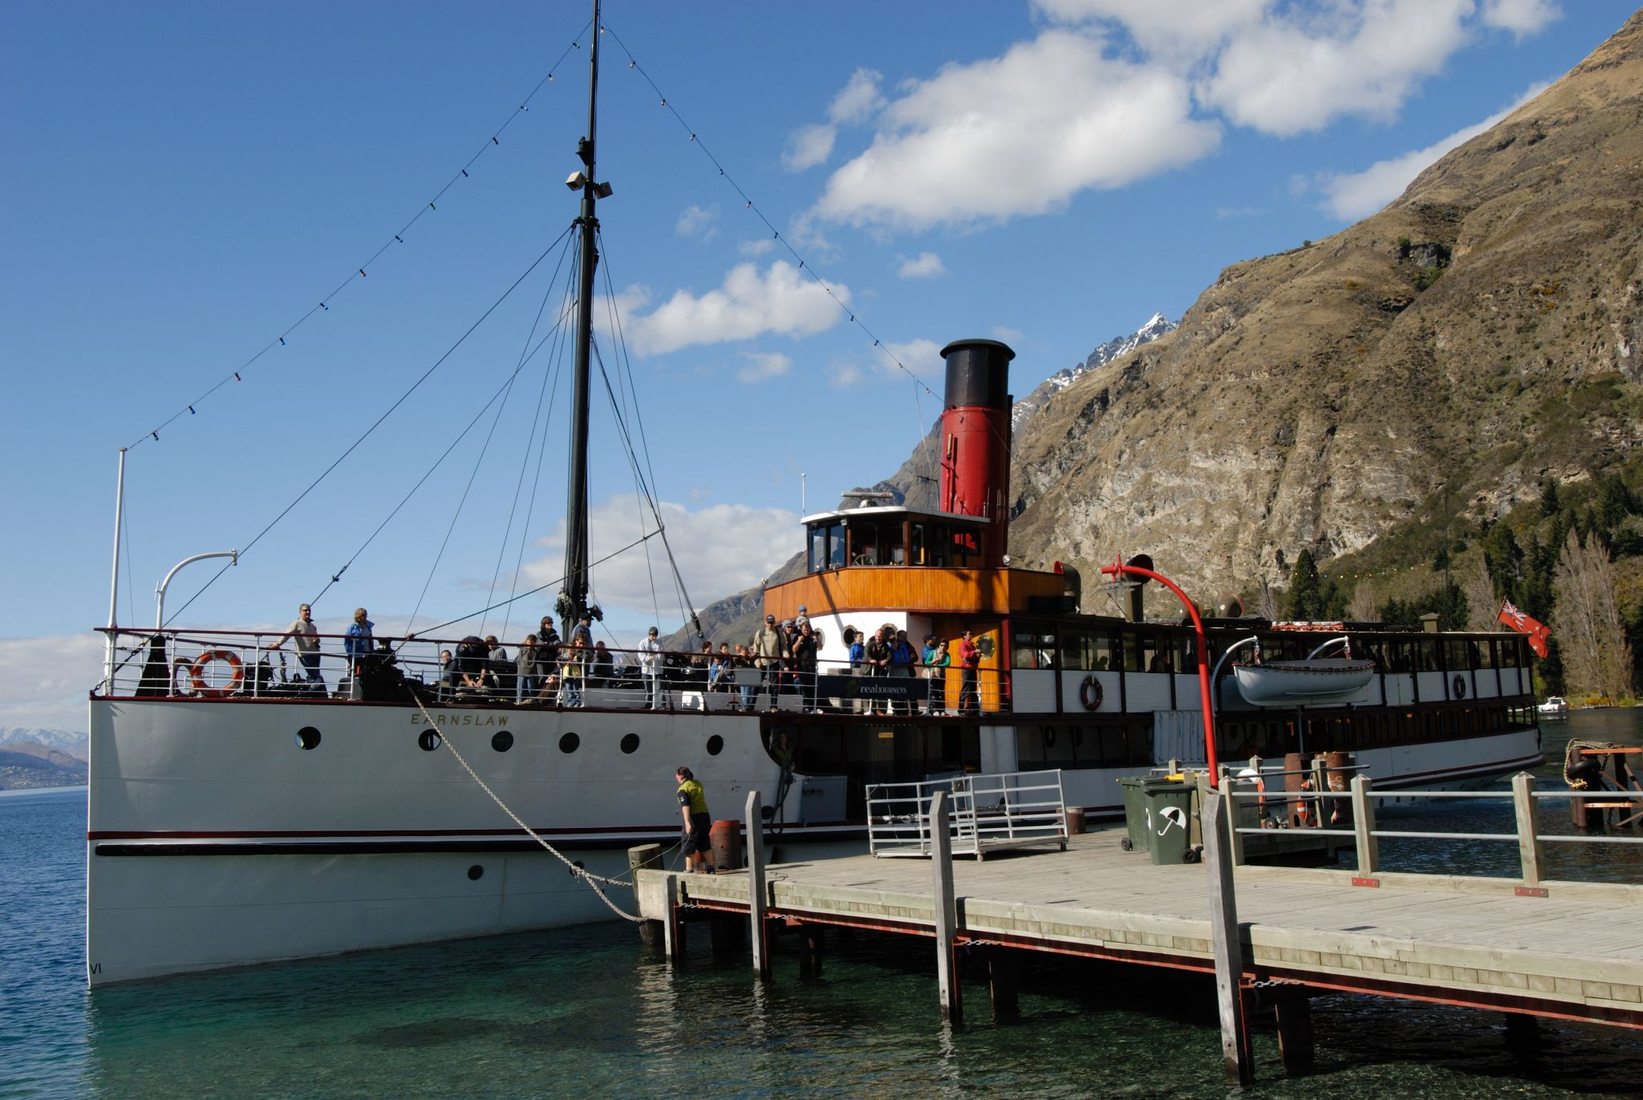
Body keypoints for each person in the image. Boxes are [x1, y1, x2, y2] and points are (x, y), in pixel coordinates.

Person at [268, 602, 323, 691]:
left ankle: (314, 691)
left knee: (315, 674)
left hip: (316, 653)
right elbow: (287, 634)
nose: (307, 612)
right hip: (305, 653)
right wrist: (278, 643)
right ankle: (311, 691)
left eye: (309, 610)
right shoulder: (297, 623)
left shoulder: (313, 626)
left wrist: (317, 640)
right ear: (300, 612)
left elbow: (318, 638)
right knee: (313, 674)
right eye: (305, 610)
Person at [675, 766, 712, 874]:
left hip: (693, 816)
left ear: (681, 776)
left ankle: (689, 868)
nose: (676, 778)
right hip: (705, 815)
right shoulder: (697, 784)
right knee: (704, 841)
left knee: (688, 842)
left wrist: (687, 822)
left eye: (677, 776)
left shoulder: (683, 789)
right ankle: (711, 867)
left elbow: (685, 806)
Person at [750, 614, 786, 710]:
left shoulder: (778, 633)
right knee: (756, 685)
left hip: (774, 662)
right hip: (762, 663)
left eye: (772, 622)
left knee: (774, 686)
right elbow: (756, 650)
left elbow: (783, 646)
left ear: (774, 622)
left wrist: (785, 653)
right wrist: (757, 662)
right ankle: (750, 706)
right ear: (765, 622)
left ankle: (773, 707)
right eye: (768, 622)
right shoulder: (760, 633)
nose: (770, 624)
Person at [344, 608, 373, 698]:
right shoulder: (352, 627)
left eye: (365, 615)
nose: (364, 617)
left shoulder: (368, 627)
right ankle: (356, 693)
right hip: (357, 654)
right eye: (362, 615)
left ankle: (365, 692)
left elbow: (370, 639)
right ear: (358, 616)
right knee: (357, 672)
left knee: (366, 672)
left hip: (367, 653)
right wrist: (351, 652)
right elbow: (347, 640)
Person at [790, 620, 819, 711]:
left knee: (812, 686)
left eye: (808, 629)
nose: (806, 631)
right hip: (802, 666)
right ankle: (805, 706)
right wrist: (799, 641)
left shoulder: (812, 638)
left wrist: (816, 639)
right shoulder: (798, 638)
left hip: (812, 666)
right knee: (804, 686)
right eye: (804, 629)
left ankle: (813, 706)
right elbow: (793, 650)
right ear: (802, 630)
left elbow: (820, 647)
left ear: (810, 629)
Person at [889, 629, 917, 715]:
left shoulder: (907, 644)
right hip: (896, 669)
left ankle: (907, 709)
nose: (905, 637)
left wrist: (911, 658)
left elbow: (913, 655)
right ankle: (897, 709)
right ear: (899, 636)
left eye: (906, 635)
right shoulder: (894, 644)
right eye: (903, 635)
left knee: (906, 689)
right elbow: (895, 656)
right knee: (896, 690)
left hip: (906, 669)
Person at [639, 626, 667, 710]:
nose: (654, 637)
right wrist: (651, 657)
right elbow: (641, 656)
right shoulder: (642, 643)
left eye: (655, 635)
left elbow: (661, 656)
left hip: (657, 669)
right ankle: (648, 704)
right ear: (649, 634)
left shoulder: (660, 643)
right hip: (646, 670)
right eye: (652, 635)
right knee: (648, 689)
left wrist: (656, 656)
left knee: (659, 688)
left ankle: (661, 705)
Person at [923, 635, 950, 714]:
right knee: (933, 692)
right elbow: (926, 662)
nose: (943, 647)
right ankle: (934, 710)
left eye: (945, 646)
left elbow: (947, 663)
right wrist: (933, 662)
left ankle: (942, 710)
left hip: (941, 674)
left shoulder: (947, 654)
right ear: (939, 645)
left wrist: (939, 665)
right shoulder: (933, 652)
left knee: (941, 692)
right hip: (934, 674)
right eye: (941, 645)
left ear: (947, 647)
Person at [958, 628, 981, 716]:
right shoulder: (963, 644)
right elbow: (965, 655)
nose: (971, 635)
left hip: (972, 668)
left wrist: (977, 655)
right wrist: (974, 652)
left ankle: (975, 709)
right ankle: (960, 709)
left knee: (973, 689)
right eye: (969, 633)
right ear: (964, 636)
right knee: (965, 688)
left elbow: (974, 657)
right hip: (966, 669)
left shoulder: (972, 645)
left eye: (971, 633)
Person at [515, 634, 540, 702]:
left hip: (531, 672)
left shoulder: (535, 652)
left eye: (532, 642)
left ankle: (530, 702)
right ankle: (519, 702)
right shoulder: (522, 649)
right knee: (521, 689)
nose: (530, 644)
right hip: (522, 671)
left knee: (530, 689)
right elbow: (519, 659)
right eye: (529, 642)